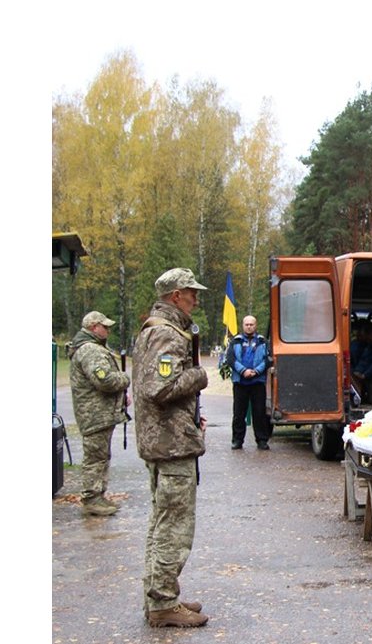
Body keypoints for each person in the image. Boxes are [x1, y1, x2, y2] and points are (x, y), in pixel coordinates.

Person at [132, 268, 210, 628]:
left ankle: (160, 595)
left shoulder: (158, 329)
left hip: (165, 440)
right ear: (176, 295)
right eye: (191, 293)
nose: (196, 298)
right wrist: (200, 375)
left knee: (162, 521)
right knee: (174, 526)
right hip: (171, 445)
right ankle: (163, 601)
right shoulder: (165, 334)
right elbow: (160, 389)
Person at [68, 311, 131, 516]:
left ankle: (98, 496)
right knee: (95, 457)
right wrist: (124, 379)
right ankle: (92, 498)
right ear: (94, 327)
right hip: (95, 414)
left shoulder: (91, 348)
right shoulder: (90, 351)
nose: (108, 330)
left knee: (100, 456)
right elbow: (104, 381)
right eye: (105, 326)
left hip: (99, 413)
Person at [229, 315, 271, 450]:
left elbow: (269, 359)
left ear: (256, 325)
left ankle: (262, 440)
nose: (249, 327)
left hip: (257, 382)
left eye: (251, 324)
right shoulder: (235, 341)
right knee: (238, 414)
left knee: (259, 413)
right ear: (243, 326)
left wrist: (256, 371)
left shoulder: (263, 341)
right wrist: (243, 371)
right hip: (240, 382)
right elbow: (230, 359)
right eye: (246, 324)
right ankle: (237, 440)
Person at [349, 323, 372, 404]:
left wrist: (364, 375)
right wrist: (356, 372)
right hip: (360, 373)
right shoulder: (356, 346)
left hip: (370, 374)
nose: (363, 338)